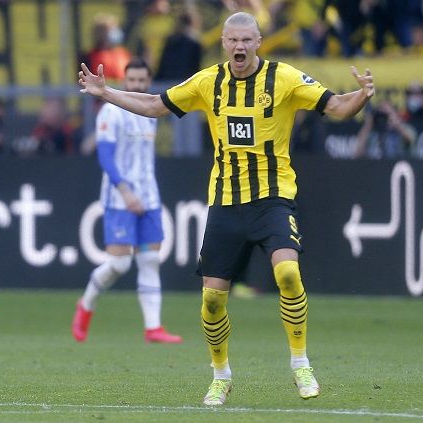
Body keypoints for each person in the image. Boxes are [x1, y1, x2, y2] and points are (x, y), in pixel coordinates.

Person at [78, 12, 374, 405]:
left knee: (287, 272)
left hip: (273, 198)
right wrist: (107, 93)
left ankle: (301, 364)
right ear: (223, 42)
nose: (239, 46)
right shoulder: (207, 82)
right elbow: (154, 105)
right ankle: (220, 376)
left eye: (247, 40)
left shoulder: (283, 78)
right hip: (226, 203)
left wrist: (362, 97)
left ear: (258, 42)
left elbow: (336, 107)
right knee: (213, 299)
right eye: (233, 40)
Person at [71, 58, 182, 345]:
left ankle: (153, 328)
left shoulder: (150, 110)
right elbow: (105, 155)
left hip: (149, 196)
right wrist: (125, 191)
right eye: (131, 81)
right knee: (119, 265)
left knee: (149, 260)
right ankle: (85, 305)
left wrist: (142, 193)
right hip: (120, 199)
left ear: (147, 81)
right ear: (124, 81)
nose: (136, 85)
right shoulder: (111, 112)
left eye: (141, 81)